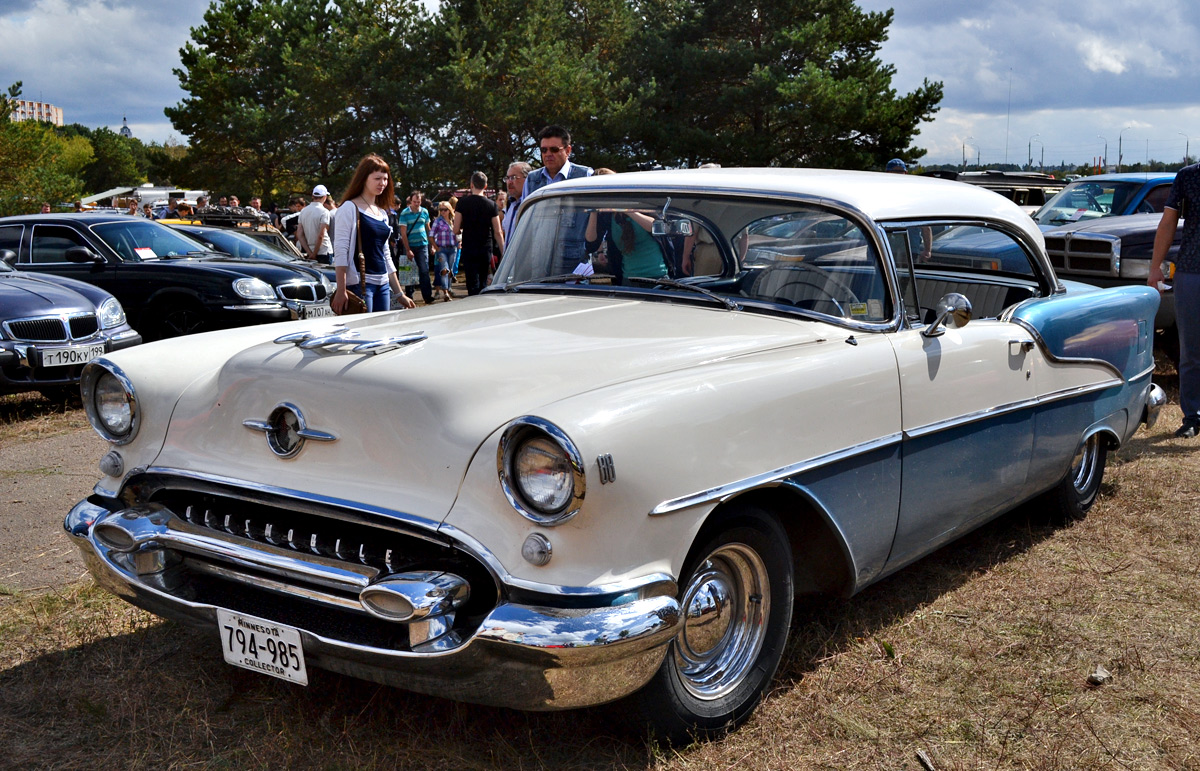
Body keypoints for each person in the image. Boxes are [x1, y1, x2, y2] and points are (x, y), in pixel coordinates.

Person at [1150, 162, 1200, 437]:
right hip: (1192, 271)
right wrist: (1155, 267)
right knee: (1191, 350)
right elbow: (1168, 222)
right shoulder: (1188, 177)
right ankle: (1192, 416)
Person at [332, 154, 414, 313]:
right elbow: (341, 251)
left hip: (383, 284)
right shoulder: (349, 208)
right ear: (364, 178)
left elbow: (386, 254)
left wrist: (399, 293)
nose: (382, 183)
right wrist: (341, 290)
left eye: (385, 179)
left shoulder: (382, 213)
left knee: (381, 333)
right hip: (360, 285)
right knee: (363, 332)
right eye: (377, 178)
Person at [523, 125, 593, 270]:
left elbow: (595, 218)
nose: (548, 154)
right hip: (538, 260)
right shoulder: (531, 179)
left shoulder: (585, 176)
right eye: (543, 150)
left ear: (568, 150)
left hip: (575, 261)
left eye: (554, 149)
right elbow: (525, 221)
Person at [454, 171, 504, 295]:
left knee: (471, 282)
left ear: (471, 185)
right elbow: (497, 231)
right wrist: (504, 251)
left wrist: (461, 228)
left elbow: (455, 229)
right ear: (485, 186)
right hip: (485, 247)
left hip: (469, 246)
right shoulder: (492, 205)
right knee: (483, 282)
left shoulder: (462, 203)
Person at [397, 190, 434, 304]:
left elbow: (428, 229)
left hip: (422, 245)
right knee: (409, 271)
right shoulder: (404, 213)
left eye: (418, 201)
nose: (417, 204)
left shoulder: (424, 212)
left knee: (424, 270)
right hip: (410, 245)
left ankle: (427, 296)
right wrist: (408, 249)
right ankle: (409, 296)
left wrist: (432, 245)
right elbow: (403, 233)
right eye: (414, 202)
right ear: (410, 201)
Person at [297, 185, 334, 264]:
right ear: (324, 197)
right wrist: (315, 253)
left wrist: (310, 253)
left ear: (313, 196)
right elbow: (321, 235)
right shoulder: (324, 211)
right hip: (324, 251)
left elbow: (299, 234)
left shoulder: (303, 211)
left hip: (309, 250)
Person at [430, 200, 458, 301]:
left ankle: (449, 288)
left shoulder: (454, 219)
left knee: (450, 270)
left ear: (449, 210)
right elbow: (431, 235)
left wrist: (459, 242)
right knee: (444, 270)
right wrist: (436, 248)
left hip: (453, 248)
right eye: (441, 210)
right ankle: (445, 291)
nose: (443, 212)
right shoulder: (438, 221)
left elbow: (459, 232)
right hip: (442, 249)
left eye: (445, 210)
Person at [501, 161, 531, 243]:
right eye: (507, 178)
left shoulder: (532, 205)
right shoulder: (509, 204)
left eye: (513, 177)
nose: (509, 182)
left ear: (527, 179)